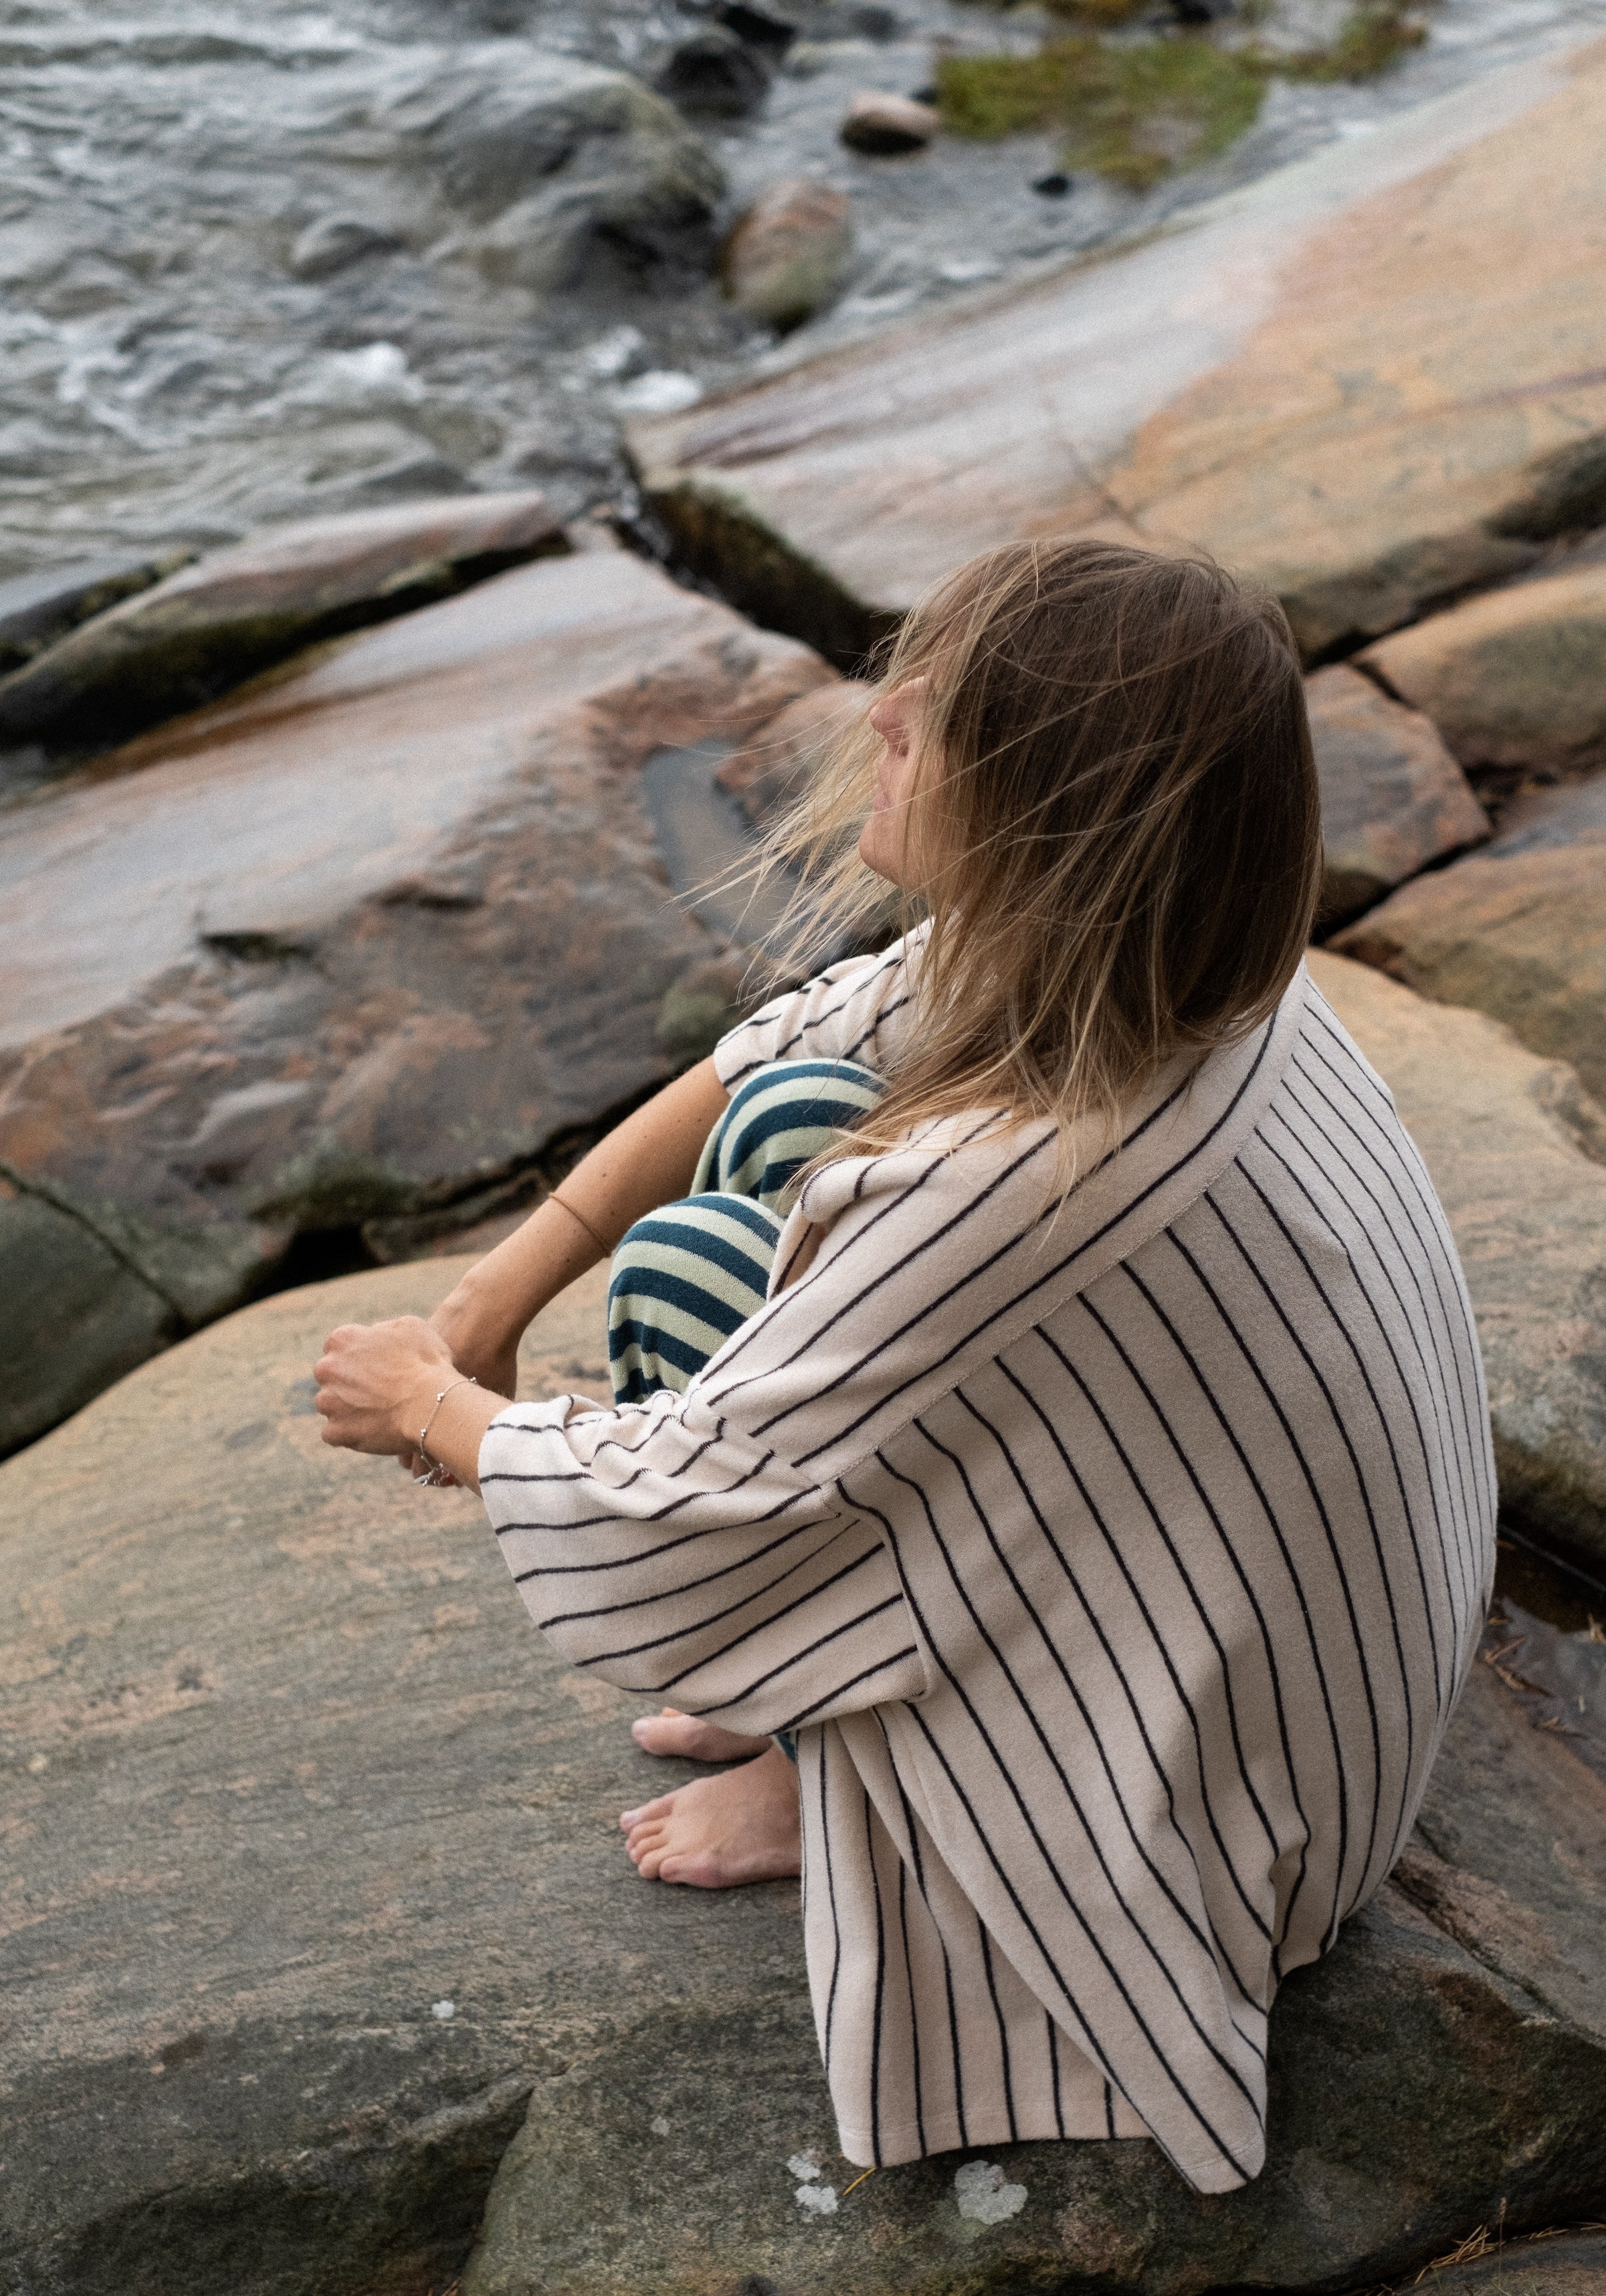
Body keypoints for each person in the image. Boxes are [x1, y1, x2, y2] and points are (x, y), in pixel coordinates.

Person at [314, 538, 1495, 2195]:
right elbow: (784, 1043)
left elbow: (694, 1521)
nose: (880, 715)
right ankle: (826, 1742)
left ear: (1046, 814)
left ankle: (830, 1780)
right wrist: (496, 1294)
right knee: (786, 1124)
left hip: (1221, 1832)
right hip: (1329, 1696)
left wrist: (434, 1407)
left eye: (929, 716)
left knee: (686, 1279)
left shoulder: (1017, 1189)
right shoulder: (1191, 977)